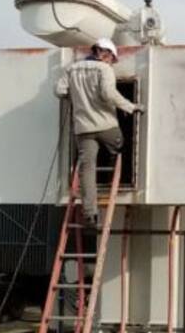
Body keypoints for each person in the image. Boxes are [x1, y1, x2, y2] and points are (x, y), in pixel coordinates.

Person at [54, 38, 142, 226]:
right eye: (112, 58)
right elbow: (107, 93)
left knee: (87, 169)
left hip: (83, 128)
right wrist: (131, 107)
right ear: (106, 53)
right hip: (106, 125)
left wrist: (77, 97)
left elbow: (60, 91)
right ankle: (112, 167)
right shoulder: (104, 69)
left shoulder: (72, 69)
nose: (112, 62)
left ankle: (90, 214)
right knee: (118, 144)